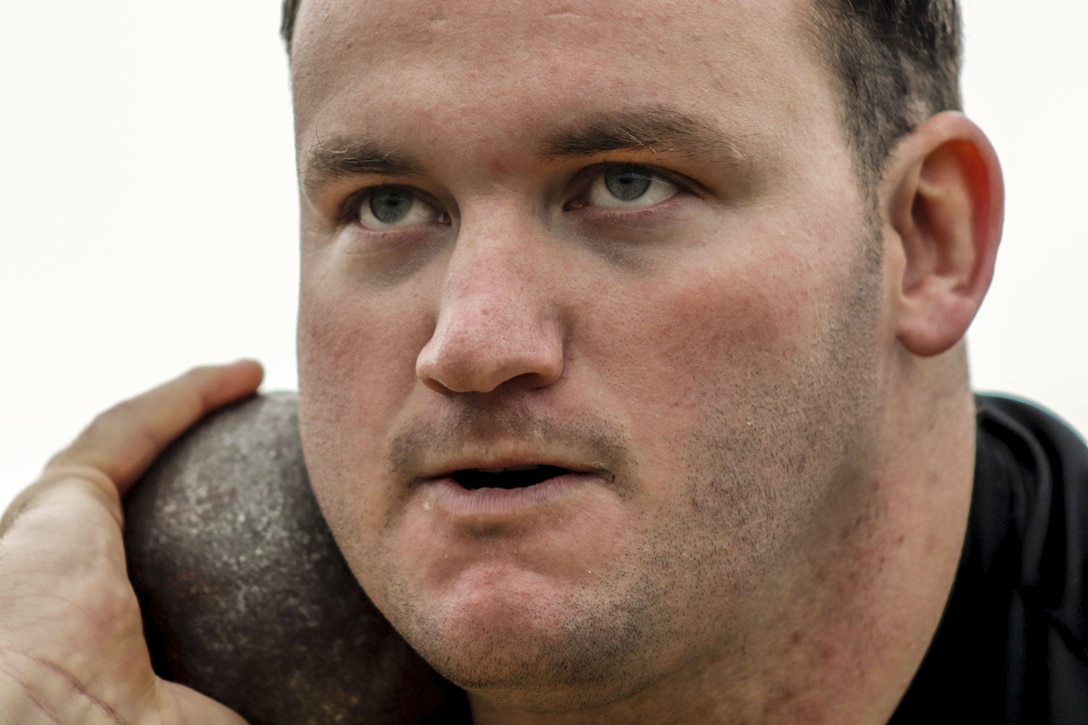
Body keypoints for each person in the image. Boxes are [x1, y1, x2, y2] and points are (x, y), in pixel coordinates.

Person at [0, 1, 1084, 723]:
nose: (470, 344)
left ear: (927, 238)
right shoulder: (132, 675)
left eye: (624, 184)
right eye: (388, 206)